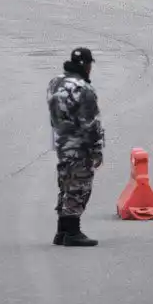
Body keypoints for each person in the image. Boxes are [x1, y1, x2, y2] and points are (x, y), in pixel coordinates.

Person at [47, 47, 104, 247]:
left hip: (61, 141)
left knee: (65, 183)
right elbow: (91, 124)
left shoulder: (55, 82)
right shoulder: (83, 89)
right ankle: (73, 232)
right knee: (79, 186)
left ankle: (62, 230)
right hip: (79, 145)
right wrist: (96, 150)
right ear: (86, 65)